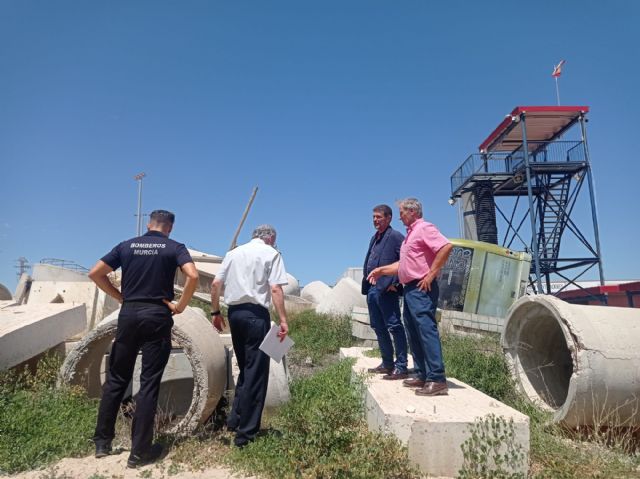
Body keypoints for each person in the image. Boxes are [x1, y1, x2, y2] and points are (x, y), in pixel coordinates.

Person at [88, 210, 199, 467]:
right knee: (148, 383)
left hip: (128, 314)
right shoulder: (174, 247)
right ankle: (139, 453)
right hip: (157, 315)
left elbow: (95, 273)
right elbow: (192, 275)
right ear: (170, 228)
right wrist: (180, 305)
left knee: (117, 378)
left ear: (149, 224)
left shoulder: (127, 245)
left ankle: (102, 443)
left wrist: (119, 296)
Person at [210, 224, 289, 448]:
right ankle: (245, 436)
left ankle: (235, 420)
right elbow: (275, 289)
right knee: (257, 374)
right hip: (256, 316)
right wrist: (283, 320)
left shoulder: (233, 253)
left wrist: (215, 312)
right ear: (270, 238)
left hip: (234, 315)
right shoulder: (271, 253)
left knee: (246, 369)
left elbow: (216, 284)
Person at [368, 198, 453, 396]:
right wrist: (381, 270)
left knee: (426, 330)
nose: (400, 216)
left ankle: (437, 378)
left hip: (421, 287)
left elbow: (445, 247)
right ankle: (422, 374)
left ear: (413, 212)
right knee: (413, 332)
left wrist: (431, 274)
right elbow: (403, 266)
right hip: (409, 289)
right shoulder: (410, 235)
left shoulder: (424, 228)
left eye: (402, 212)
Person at [362, 204, 408, 380]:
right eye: (373, 217)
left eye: (378, 217)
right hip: (373, 290)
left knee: (394, 326)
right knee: (378, 327)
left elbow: (406, 261)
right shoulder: (374, 238)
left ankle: (401, 366)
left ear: (388, 218)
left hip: (387, 290)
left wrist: (395, 282)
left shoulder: (396, 237)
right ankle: (387, 363)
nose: (375, 220)